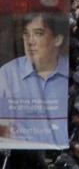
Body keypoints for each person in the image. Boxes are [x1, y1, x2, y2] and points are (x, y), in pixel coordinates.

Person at [0, 13, 70, 146]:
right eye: (26, 34)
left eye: (38, 33)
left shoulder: (70, 74)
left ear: (58, 39)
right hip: (19, 157)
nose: (30, 41)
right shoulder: (7, 74)